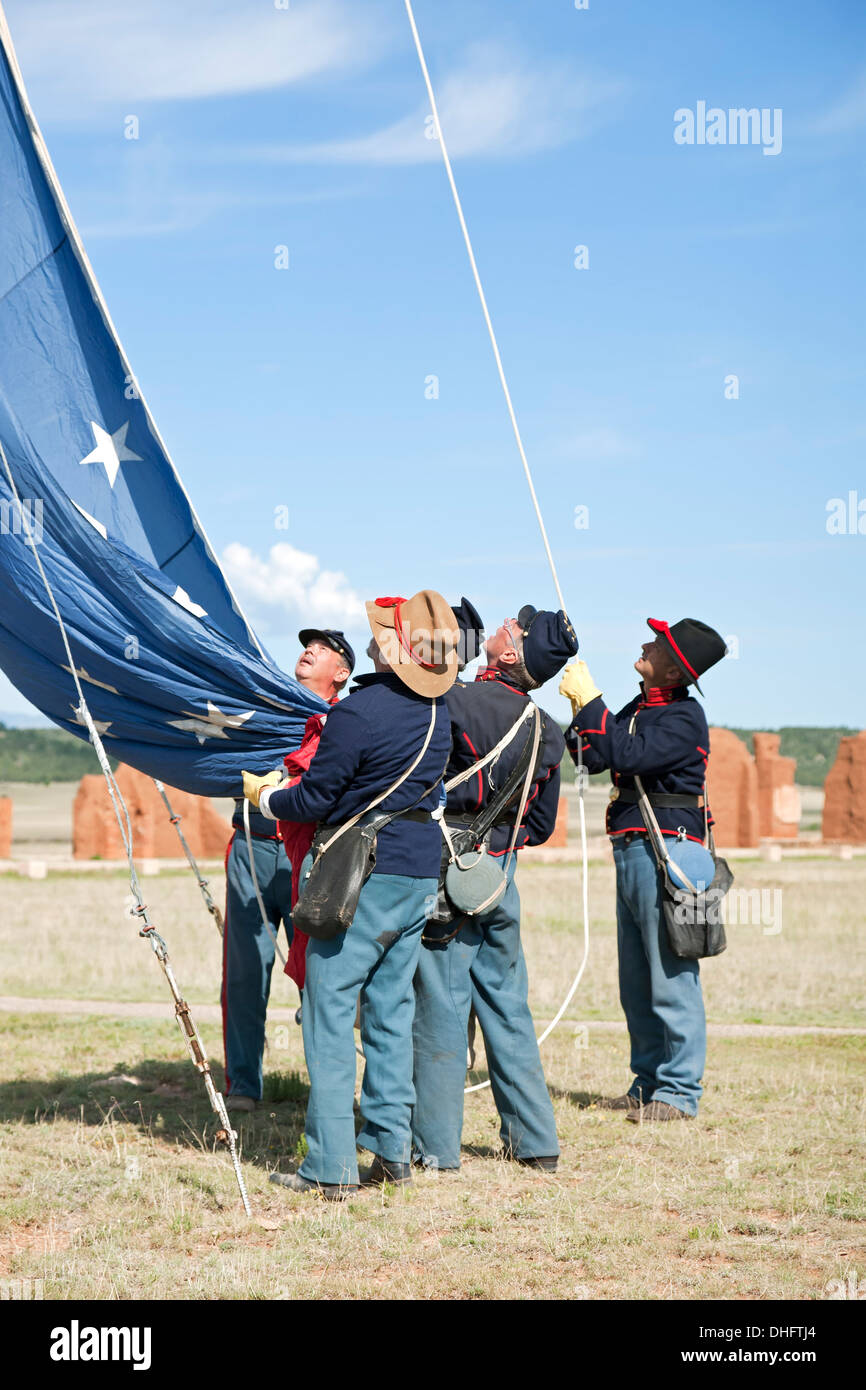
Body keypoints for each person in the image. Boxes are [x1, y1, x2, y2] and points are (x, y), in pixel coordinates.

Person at [245, 590, 457, 1198]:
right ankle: (392, 1152)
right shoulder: (439, 714)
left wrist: (266, 798)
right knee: (391, 1014)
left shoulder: (358, 714)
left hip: (362, 873)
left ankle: (330, 1167)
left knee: (328, 1016)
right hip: (417, 873)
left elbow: (314, 799)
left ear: (393, 649)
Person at [411, 605, 577, 1173]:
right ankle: (536, 1143)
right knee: (507, 1008)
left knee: (439, 1005)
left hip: (449, 871)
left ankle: (435, 1148)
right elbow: (543, 825)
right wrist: (497, 846)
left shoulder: (453, 701)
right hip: (502, 875)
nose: (505, 622)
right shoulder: (547, 731)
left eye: (515, 626)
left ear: (510, 653)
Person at [560, 617, 727, 1121]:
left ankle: (677, 1093)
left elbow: (626, 753)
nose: (643, 644)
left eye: (655, 643)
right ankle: (649, 1082)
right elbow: (592, 757)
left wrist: (592, 703)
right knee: (637, 978)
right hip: (635, 847)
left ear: (673, 666)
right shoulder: (641, 708)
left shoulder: (684, 717)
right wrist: (579, 713)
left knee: (671, 974)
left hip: (668, 849)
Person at [220, 630, 352, 1112]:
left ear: (341, 672)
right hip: (252, 846)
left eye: (323, 647)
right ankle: (242, 1085)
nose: (309, 649)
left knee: (317, 975)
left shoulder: (345, 721)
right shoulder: (263, 703)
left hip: (312, 855)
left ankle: (329, 1090)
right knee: (244, 972)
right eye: (306, 643)